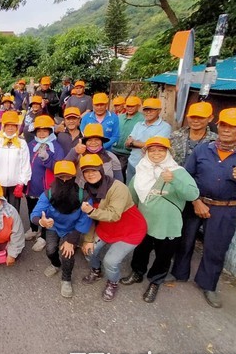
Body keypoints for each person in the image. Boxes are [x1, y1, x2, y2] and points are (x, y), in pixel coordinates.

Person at [171, 108, 236, 308]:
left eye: (232, 126)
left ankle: (208, 284)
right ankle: (179, 273)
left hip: (226, 208)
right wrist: (196, 200)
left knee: (216, 248)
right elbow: (186, 176)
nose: (225, 130)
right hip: (195, 202)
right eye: (223, 124)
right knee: (184, 241)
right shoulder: (203, 149)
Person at [121, 137, 199, 303]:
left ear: (168, 152)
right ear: (146, 153)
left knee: (163, 256)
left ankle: (155, 281)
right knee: (141, 251)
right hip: (144, 223)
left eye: (161, 150)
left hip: (168, 225)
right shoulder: (142, 171)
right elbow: (132, 198)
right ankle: (137, 273)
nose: (156, 154)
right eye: (152, 150)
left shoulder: (178, 172)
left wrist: (174, 180)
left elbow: (193, 194)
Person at [79, 154, 147, 301]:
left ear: (101, 170)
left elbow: (114, 215)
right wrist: (88, 239)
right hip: (106, 228)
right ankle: (96, 271)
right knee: (88, 250)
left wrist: (91, 211)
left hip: (130, 230)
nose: (90, 174)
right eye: (86, 171)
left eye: (94, 170)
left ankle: (113, 282)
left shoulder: (117, 188)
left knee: (110, 261)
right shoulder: (87, 188)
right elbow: (89, 218)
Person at [30, 161, 93, 298]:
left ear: (74, 177)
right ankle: (55, 264)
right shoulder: (48, 193)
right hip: (53, 226)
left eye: (68, 177)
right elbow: (34, 214)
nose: (64, 180)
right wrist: (41, 221)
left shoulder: (83, 196)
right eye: (61, 177)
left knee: (67, 254)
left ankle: (66, 279)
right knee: (50, 250)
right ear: (56, 177)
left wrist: (72, 240)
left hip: (72, 229)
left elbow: (85, 220)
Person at [25, 115, 65, 245]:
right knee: (31, 207)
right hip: (32, 184)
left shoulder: (56, 146)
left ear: (50, 131)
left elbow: (59, 168)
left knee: (45, 210)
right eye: (39, 130)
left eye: (45, 130)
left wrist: (47, 159)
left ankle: (43, 236)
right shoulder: (31, 144)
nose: (41, 134)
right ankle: (34, 228)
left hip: (47, 186)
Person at [0, 111, 31, 212]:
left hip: (15, 184)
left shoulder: (22, 143)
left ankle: (14, 228)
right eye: (7, 125)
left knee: (13, 212)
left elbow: (25, 165)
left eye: (13, 125)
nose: (10, 128)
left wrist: (21, 183)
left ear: (17, 127)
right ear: (2, 126)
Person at [125, 98, 172, 182]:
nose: (148, 112)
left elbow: (154, 146)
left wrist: (134, 143)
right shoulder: (138, 125)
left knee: (147, 191)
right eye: (146, 110)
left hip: (151, 167)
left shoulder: (165, 127)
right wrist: (141, 144)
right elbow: (127, 143)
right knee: (129, 190)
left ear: (159, 111)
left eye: (152, 110)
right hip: (133, 163)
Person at [170, 101, 217, 166]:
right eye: (192, 117)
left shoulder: (215, 141)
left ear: (210, 118)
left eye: (201, 117)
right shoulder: (175, 136)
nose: (195, 121)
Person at [112, 96, 144, 180]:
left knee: (120, 171)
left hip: (127, 151)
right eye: (128, 106)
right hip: (114, 149)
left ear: (138, 106)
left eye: (132, 106)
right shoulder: (120, 117)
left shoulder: (142, 119)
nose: (129, 108)